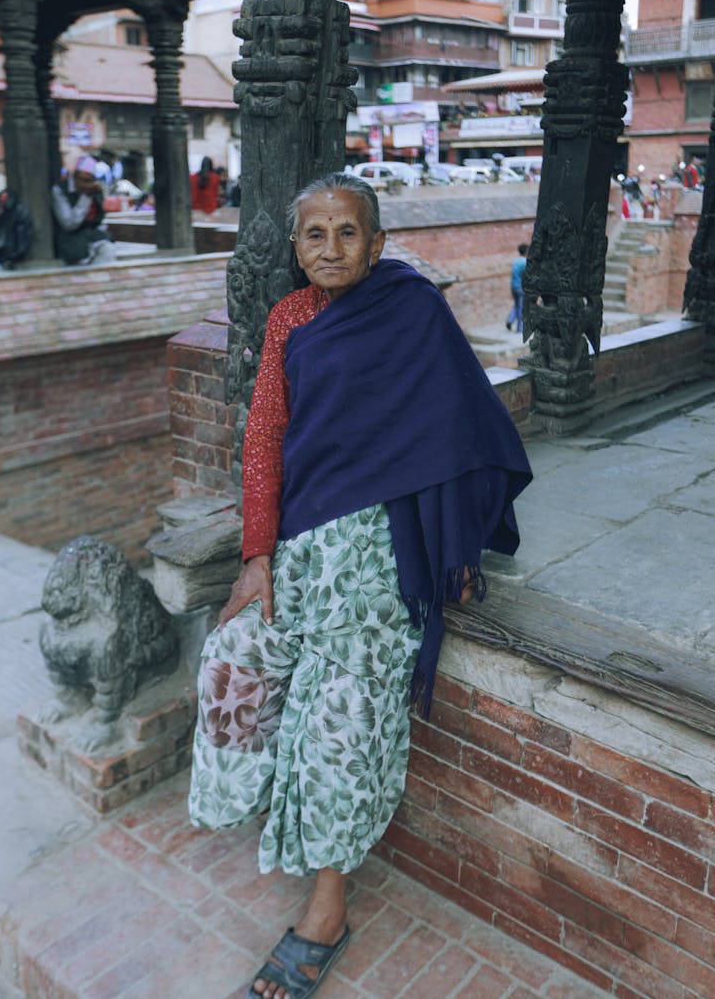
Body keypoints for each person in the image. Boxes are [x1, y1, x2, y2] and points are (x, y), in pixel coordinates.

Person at [188, 173, 532, 999]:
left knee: (338, 723)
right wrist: (257, 555)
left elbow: (460, 417)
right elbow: (266, 435)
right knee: (233, 662)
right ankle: (270, 808)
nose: (332, 249)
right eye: (316, 235)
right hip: (300, 542)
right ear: (296, 245)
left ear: (378, 245)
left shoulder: (409, 310)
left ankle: (326, 907)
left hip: (380, 558)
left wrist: (452, 536)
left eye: (349, 233)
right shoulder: (289, 321)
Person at [51, 155, 116, 266]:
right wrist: (86, 197)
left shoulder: (95, 190)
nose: (86, 184)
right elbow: (69, 223)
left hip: (92, 237)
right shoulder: (60, 190)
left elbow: (98, 219)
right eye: (84, 180)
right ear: (75, 176)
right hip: (70, 241)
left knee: (108, 250)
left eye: (90, 180)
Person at [506, 242, 528, 333]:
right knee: (521, 307)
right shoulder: (525, 262)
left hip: (513, 286)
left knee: (517, 305)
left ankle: (510, 320)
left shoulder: (516, 260)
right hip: (521, 287)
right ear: (526, 251)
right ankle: (520, 327)